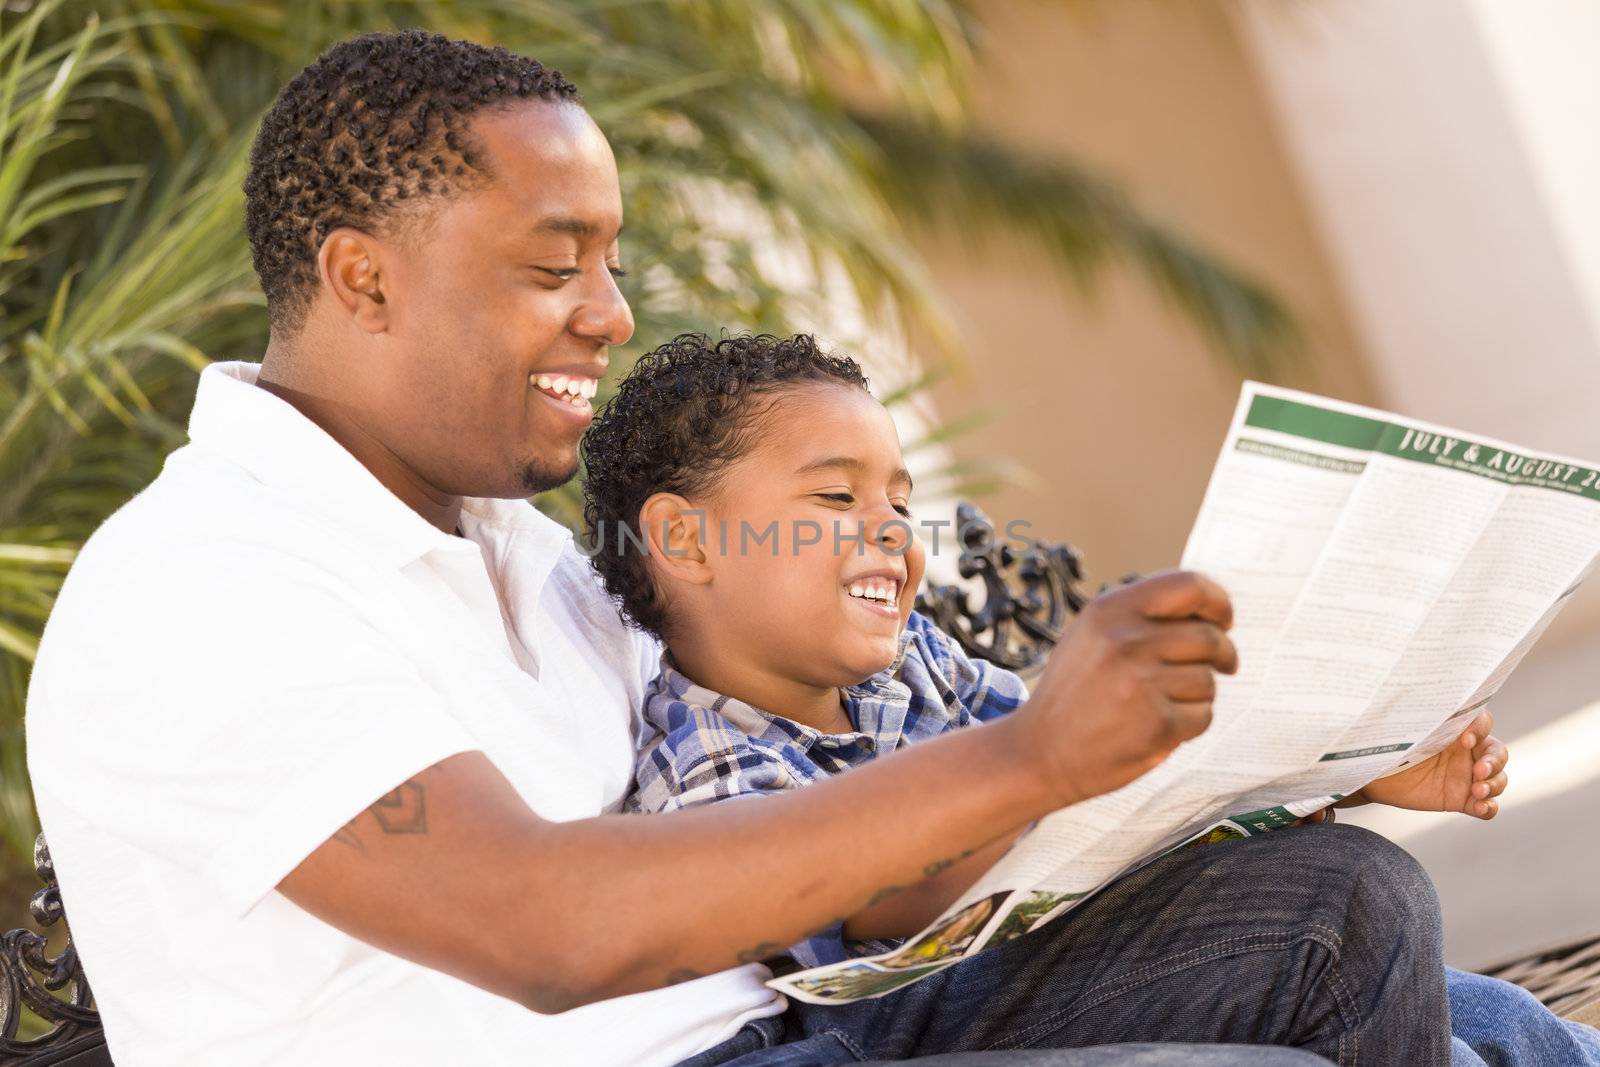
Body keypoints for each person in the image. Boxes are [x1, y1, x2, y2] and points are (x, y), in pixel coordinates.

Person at [10, 29, 1493, 1067]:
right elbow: (543, 925)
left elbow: (811, 742)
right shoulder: (202, 585)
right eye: (550, 264)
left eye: (610, 260)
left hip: (807, 1026)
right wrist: (1030, 753)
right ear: (363, 280)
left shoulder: (510, 548)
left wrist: (1266, 750)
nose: (608, 312)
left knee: (1351, 914)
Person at [586, 331, 1600, 1067]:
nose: (890, 528)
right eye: (835, 497)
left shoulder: (913, 667)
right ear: (685, 541)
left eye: (899, 498)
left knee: (1497, 1023)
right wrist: (1044, 762)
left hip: (1057, 947)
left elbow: (1108, 812)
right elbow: (866, 897)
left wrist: (1349, 769)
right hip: (909, 1016)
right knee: (1351, 897)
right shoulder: (701, 741)